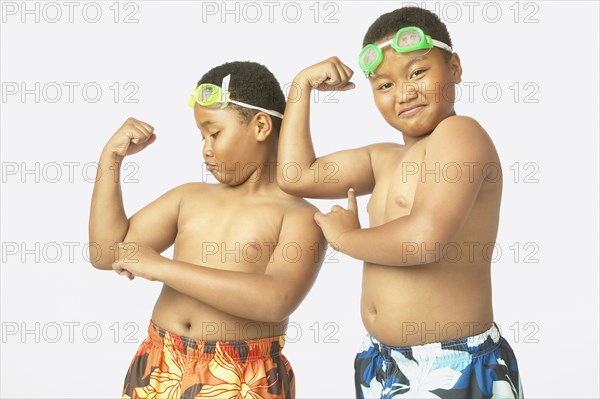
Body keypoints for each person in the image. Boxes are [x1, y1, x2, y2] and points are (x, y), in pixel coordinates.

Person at [277, 6, 522, 398]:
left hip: (451, 364)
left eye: (418, 72)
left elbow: (425, 239)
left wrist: (347, 239)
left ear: (455, 68)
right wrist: (301, 86)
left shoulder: (461, 134)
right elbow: (294, 175)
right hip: (381, 362)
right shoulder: (383, 158)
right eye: (385, 85)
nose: (404, 93)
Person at [88, 61, 325, 399]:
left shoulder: (299, 216)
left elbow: (275, 301)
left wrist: (162, 267)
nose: (206, 149)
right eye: (202, 136)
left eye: (215, 133)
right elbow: (106, 253)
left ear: (260, 126)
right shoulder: (189, 197)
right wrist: (111, 159)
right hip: (159, 364)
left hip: (241, 378)